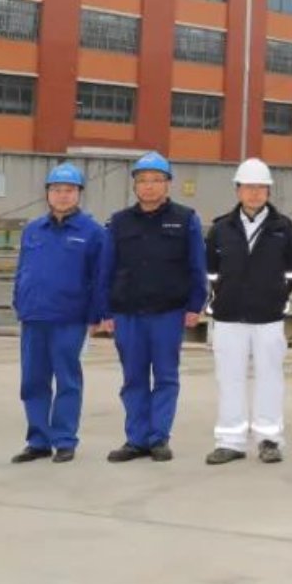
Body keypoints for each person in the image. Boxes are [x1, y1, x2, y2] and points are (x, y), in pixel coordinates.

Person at [99, 151, 208, 463]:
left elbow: (197, 266)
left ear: (167, 184)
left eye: (156, 180)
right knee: (133, 378)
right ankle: (136, 439)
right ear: (135, 186)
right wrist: (104, 311)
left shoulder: (186, 219)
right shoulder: (119, 222)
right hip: (128, 312)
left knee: (165, 377)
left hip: (168, 312)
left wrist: (195, 304)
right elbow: (106, 268)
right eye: (143, 180)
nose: (149, 186)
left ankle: (159, 438)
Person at [204, 159, 292, 465]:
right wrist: (222, 294)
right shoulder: (221, 229)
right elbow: (210, 271)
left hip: (268, 317)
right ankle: (230, 441)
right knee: (229, 379)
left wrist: (277, 296)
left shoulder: (284, 229)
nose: (255, 193)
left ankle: (269, 439)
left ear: (269, 191)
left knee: (270, 378)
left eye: (261, 187)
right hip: (228, 316)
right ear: (238, 190)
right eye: (249, 187)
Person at [10, 163, 106, 464]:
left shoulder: (93, 232)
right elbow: (22, 269)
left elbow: (100, 277)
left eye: (69, 190)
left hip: (69, 318)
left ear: (79, 194)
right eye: (56, 190)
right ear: (47, 194)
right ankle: (38, 440)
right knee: (32, 382)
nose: (62, 195)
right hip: (34, 317)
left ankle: (64, 440)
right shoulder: (33, 230)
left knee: (67, 380)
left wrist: (96, 315)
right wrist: (19, 301)